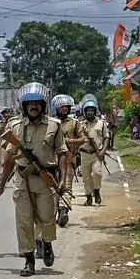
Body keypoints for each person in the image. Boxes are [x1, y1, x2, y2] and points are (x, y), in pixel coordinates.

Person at [0, 82, 67, 277]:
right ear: (24, 106)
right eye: (29, 104)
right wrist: (2, 182)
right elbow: (9, 155)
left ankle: (47, 242)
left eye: (37, 103)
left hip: (45, 178)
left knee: (46, 217)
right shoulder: (15, 126)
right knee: (24, 221)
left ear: (43, 105)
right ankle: (28, 260)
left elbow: (62, 152)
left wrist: (62, 179)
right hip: (22, 179)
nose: (33, 107)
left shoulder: (55, 125)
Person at [51, 94, 82, 228]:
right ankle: (56, 211)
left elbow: (83, 139)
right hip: (52, 160)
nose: (64, 109)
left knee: (67, 185)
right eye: (62, 107)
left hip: (68, 158)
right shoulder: (50, 123)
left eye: (66, 107)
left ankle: (64, 210)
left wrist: (69, 141)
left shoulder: (74, 123)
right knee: (53, 186)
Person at [78, 95, 108, 207]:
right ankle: (88, 197)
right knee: (86, 178)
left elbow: (106, 138)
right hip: (84, 154)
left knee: (97, 173)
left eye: (92, 110)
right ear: (84, 112)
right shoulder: (80, 125)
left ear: (95, 111)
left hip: (96, 154)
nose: (90, 112)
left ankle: (97, 192)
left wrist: (103, 151)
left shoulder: (101, 123)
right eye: (88, 111)